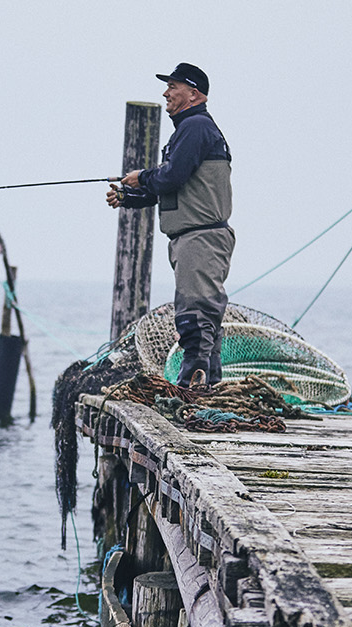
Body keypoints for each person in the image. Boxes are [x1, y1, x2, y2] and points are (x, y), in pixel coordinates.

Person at [107, 62, 234, 387]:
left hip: (200, 239)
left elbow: (171, 176)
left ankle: (191, 392)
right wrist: (129, 196)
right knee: (203, 319)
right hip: (196, 238)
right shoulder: (191, 129)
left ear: (193, 94)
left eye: (173, 87)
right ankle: (206, 390)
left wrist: (142, 176)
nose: (166, 93)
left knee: (195, 319)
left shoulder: (195, 127)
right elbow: (171, 187)